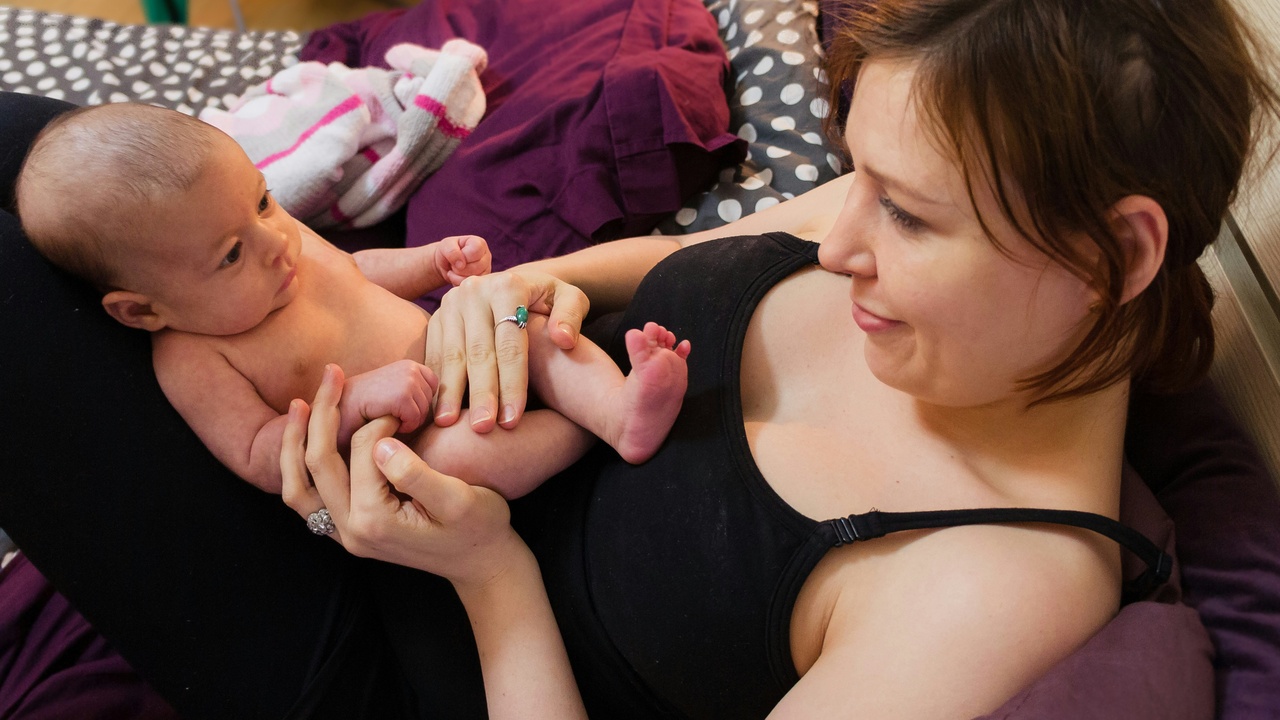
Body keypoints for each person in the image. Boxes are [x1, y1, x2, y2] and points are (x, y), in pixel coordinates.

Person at [0, 0, 1278, 718]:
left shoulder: (992, 584)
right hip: (426, 434)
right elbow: (619, 269)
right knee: (68, 169)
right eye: (858, 177)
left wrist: (490, 574)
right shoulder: (964, 267)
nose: (833, 243)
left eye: (906, 214)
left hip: (389, 645)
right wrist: (493, 298)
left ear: (1115, 256)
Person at [13, 102, 692, 498]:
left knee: (535, 328)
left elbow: (357, 270)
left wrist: (429, 263)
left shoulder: (271, 239)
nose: (277, 242)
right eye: (229, 255)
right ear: (143, 309)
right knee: (458, 464)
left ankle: (617, 411)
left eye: (263, 199)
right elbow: (259, 451)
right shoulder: (191, 357)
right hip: (419, 435)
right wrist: (358, 400)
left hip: (458, 349)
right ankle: (586, 435)